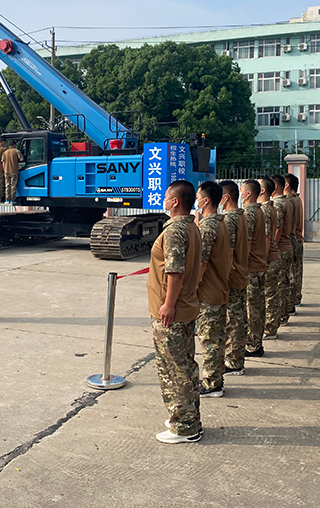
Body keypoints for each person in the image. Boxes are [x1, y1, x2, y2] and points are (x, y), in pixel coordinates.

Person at [148, 180, 203, 444]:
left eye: (166, 197)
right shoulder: (191, 226)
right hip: (186, 306)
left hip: (173, 311)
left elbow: (175, 270)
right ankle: (187, 418)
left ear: (175, 202)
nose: (164, 200)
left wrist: (168, 304)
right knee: (184, 366)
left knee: (174, 369)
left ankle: (184, 427)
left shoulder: (175, 231)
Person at [195, 181, 231, 399]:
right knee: (216, 338)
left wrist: (192, 287)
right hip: (218, 286)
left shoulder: (208, 226)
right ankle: (216, 378)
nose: (197, 201)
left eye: (199, 197)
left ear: (206, 200)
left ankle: (212, 383)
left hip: (209, 291)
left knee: (210, 340)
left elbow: (202, 262)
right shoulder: (221, 222)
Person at [220, 180, 249, 377]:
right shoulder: (241, 215)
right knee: (238, 317)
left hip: (231, 274)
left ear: (226, 197)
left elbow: (228, 251)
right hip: (240, 271)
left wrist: (222, 276)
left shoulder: (230, 219)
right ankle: (236, 358)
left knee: (233, 320)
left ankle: (233, 361)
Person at [241, 180, 267, 358]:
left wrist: (241, 265)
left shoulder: (250, 213)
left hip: (251, 267)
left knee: (252, 308)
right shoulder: (259, 210)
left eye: (242, 190)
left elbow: (247, 243)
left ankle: (253, 344)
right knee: (257, 305)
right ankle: (255, 342)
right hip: (258, 264)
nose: (240, 193)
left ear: (248, 193)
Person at [266, 174, 293, 337]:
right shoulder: (288, 201)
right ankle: (281, 315)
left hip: (280, 248)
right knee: (282, 284)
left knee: (275, 289)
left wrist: (271, 248)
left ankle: (274, 322)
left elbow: (277, 229)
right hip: (286, 246)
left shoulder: (277, 204)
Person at [256, 178, 281, 350]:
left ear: (262, 190)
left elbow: (266, 237)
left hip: (269, 257)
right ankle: (271, 326)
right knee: (271, 294)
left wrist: (262, 259)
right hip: (272, 256)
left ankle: (270, 328)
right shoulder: (270, 207)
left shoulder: (265, 210)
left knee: (268, 296)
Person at [283, 173, 304, 316]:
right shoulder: (298, 199)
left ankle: (290, 303)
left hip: (291, 238)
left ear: (286, 185)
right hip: (298, 238)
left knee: (289, 274)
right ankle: (296, 297)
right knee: (296, 271)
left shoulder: (288, 201)